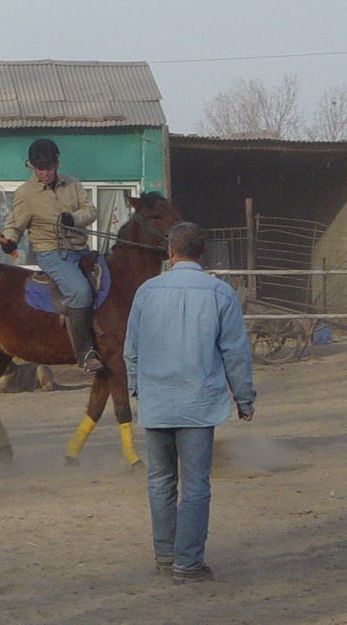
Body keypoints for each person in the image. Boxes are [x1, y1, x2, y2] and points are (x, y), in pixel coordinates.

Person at [124, 222, 257, 585]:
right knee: (196, 484)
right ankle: (188, 563)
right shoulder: (219, 292)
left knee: (160, 480)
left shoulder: (146, 292)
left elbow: (130, 350)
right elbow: (235, 352)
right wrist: (244, 398)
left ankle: (165, 556)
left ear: (170, 252)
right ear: (202, 253)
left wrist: (138, 389)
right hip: (198, 404)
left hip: (157, 402)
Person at [0, 138, 102, 372]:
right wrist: (9, 240)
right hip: (52, 253)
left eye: (48, 167)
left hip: (81, 250)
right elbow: (15, 224)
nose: (44, 173)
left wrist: (73, 218)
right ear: (31, 167)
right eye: (39, 168)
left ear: (56, 164)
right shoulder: (25, 193)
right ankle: (85, 353)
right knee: (80, 292)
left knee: (111, 283)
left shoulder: (73, 184)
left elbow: (91, 210)